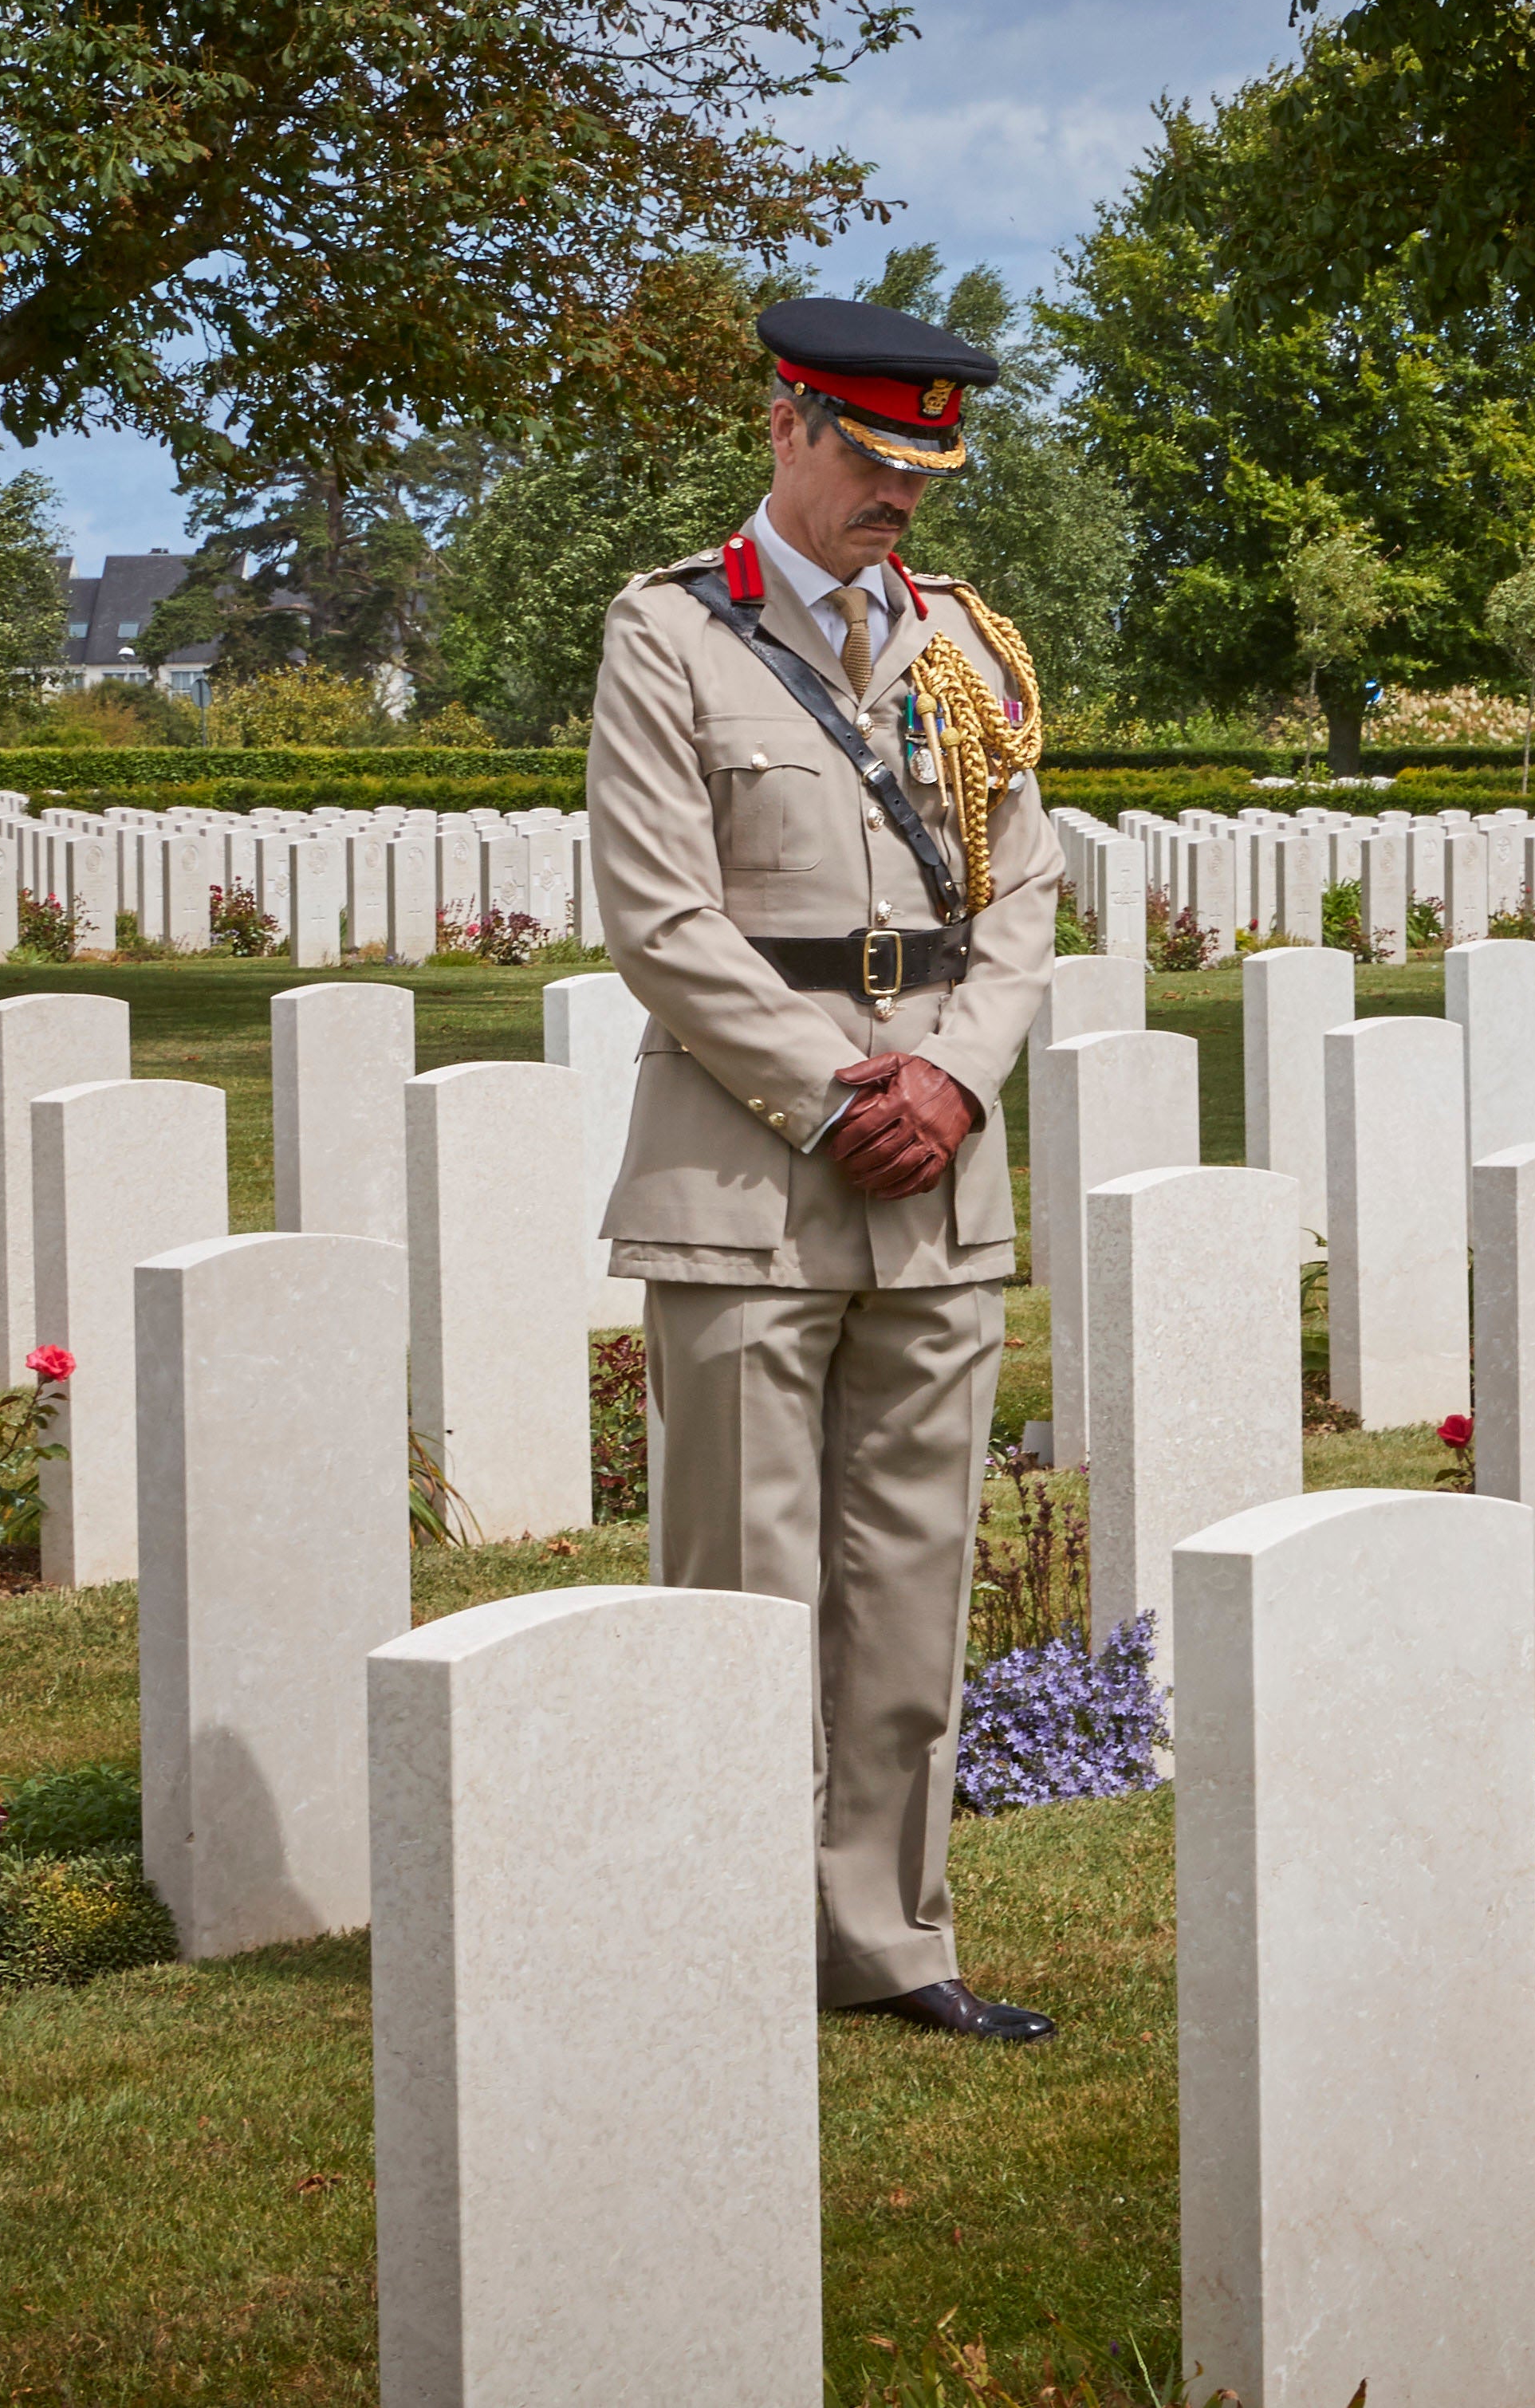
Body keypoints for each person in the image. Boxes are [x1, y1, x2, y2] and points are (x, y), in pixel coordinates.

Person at [581, 297, 1067, 2040]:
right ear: (787, 426)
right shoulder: (668, 637)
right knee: (740, 1579)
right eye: (870, 458)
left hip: (935, 1176)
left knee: (909, 1575)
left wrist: (942, 1085)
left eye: (923, 468)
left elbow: (1019, 904)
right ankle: (721, 1935)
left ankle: (887, 1941)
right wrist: (834, 1096)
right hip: (743, 1174)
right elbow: (659, 915)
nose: (898, 499)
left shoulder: (970, 652)